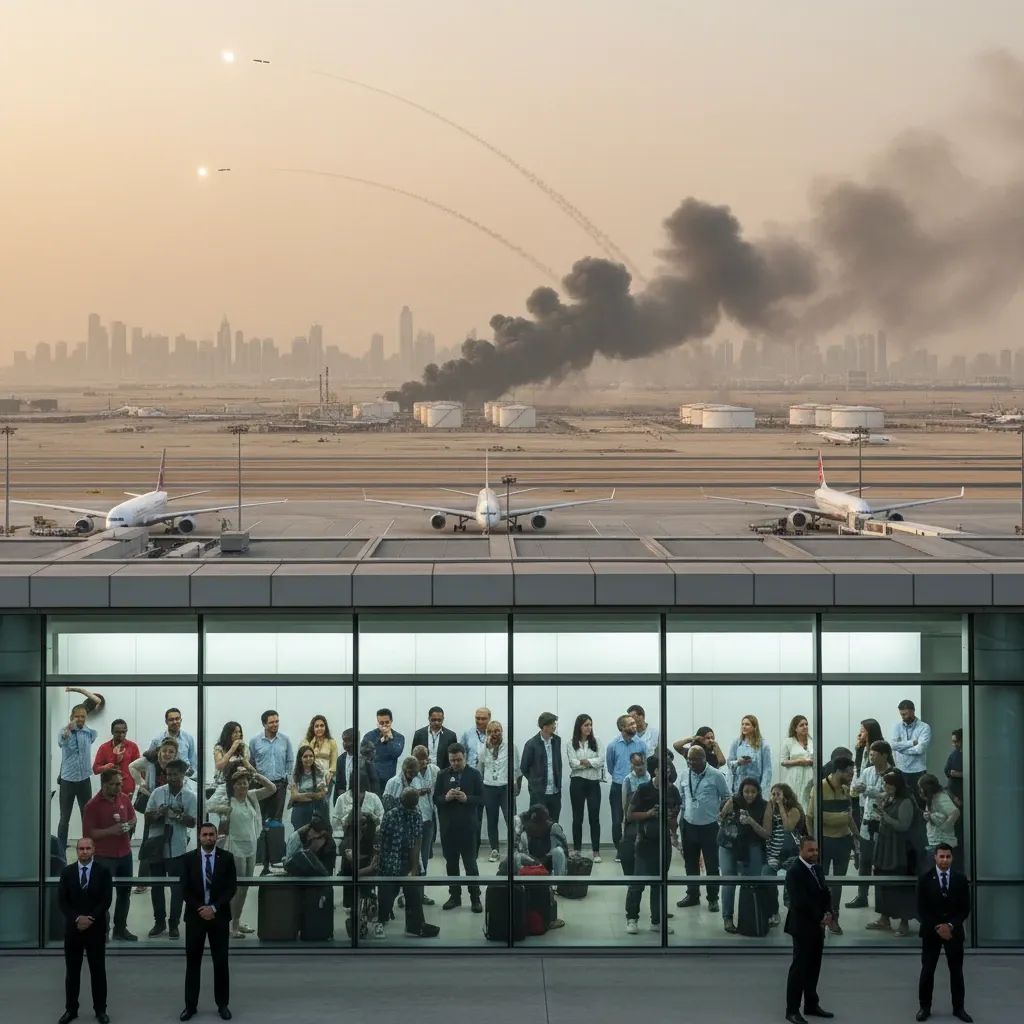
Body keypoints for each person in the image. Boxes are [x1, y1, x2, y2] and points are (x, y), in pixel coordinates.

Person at [206, 764, 276, 939]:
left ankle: (237, 920)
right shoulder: (228, 800)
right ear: (232, 786)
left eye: (245, 783)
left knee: (245, 888)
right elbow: (208, 806)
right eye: (238, 784)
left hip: (251, 846)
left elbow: (272, 788)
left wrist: (256, 775)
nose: (242, 786)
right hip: (235, 846)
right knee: (235, 888)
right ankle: (232, 925)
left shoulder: (251, 797)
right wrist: (222, 809)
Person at [180, 823, 237, 1022]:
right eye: (204, 835)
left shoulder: (227, 858)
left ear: (216, 836)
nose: (208, 838)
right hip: (196, 917)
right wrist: (201, 909)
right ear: (199, 837)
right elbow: (184, 889)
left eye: (212, 834)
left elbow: (231, 888)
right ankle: (190, 1006)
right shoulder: (188, 859)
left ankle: (223, 1005)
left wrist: (213, 908)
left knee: (221, 962)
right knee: (192, 963)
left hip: (218, 917)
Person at [58, 837, 113, 1024]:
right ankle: (71, 1010)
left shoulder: (103, 872)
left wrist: (90, 918)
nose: (84, 851)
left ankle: (100, 1011)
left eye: (88, 848)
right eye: (81, 848)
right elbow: (62, 901)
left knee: (98, 972)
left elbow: (106, 900)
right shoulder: (66, 872)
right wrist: (77, 918)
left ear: (93, 850)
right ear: (77, 851)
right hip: (73, 930)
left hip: (95, 929)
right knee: (72, 973)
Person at [916, 844, 972, 1023]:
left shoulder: (960, 879)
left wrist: (950, 925)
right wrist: (938, 928)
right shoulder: (925, 879)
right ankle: (924, 1007)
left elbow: (964, 909)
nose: (945, 860)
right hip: (931, 932)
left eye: (948, 857)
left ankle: (959, 1008)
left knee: (956, 972)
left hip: (953, 933)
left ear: (952, 858)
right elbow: (921, 909)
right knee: (927, 971)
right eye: (942, 856)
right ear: (935, 857)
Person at [624, 755, 679, 935]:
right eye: (664, 770)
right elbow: (630, 815)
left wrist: (670, 818)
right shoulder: (643, 789)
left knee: (660, 883)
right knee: (638, 882)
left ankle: (657, 920)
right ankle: (632, 918)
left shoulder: (673, 791)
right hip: (645, 841)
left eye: (669, 770)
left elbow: (674, 823)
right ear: (655, 771)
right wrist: (649, 813)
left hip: (664, 843)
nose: (667, 773)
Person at [868, 770, 926, 937]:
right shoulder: (889, 797)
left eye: (889, 784)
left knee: (900, 884)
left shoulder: (906, 801)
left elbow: (903, 825)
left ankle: (904, 921)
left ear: (897, 785)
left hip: (899, 849)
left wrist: (884, 816)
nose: (886, 786)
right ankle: (884, 918)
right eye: (885, 783)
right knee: (882, 881)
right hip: (885, 846)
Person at [784, 836, 835, 1024]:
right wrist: (820, 917)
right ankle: (792, 1010)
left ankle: (811, 1005)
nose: (814, 853)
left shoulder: (818, 868)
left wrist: (829, 912)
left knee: (814, 967)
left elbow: (825, 892)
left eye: (816, 850)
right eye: (810, 850)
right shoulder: (794, 872)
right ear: (801, 851)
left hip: (818, 926)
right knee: (799, 969)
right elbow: (799, 902)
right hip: (802, 926)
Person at [144, 759, 198, 939]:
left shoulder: (190, 796)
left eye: (175, 774)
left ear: (183, 775)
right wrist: (160, 812)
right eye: (168, 774)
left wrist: (176, 815)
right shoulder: (158, 793)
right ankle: (158, 922)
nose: (172, 778)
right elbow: (148, 816)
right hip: (157, 847)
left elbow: (192, 821)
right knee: (157, 887)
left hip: (178, 848)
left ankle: (174, 924)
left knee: (178, 889)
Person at [377, 788, 440, 939]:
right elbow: (382, 841)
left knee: (413, 893)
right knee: (386, 895)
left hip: (406, 859)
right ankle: (379, 921)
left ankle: (415, 926)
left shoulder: (416, 814)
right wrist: (383, 863)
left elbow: (417, 841)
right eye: (409, 806)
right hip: (389, 859)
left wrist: (414, 867)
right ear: (402, 801)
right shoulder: (391, 815)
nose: (412, 809)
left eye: (414, 805)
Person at [82, 768, 137, 941]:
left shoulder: (125, 799)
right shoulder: (92, 806)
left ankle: (120, 929)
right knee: (103, 896)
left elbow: (133, 818)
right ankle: (102, 931)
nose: (118, 787)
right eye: (113, 784)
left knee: (124, 893)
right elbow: (89, 834)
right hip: (104, 857)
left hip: (125, 854)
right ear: (104, 785)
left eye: (120, 783)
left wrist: (129, 825)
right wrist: (111, 831)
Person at [676, 743, 730, 912]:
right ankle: (692, 895)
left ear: (704, 759)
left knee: (712, 865)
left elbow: (727, 797)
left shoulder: (716, 775)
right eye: (689, 760)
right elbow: (681, 798)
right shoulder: (684, 775)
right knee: (690, 863)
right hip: (688, 824)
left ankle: (713, 898)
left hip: (710, 827)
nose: (691, 763)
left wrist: (721, 814)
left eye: (694, 760)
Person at [806, 755, 856, 936]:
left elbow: (849, 817)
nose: (852, 776)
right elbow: (810, 817)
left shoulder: (845, 789)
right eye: (849, 773)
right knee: (821, 882)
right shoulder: (819, 788)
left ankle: (834, 918)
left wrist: (857, 838)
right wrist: (813, 842)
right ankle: (820, 917)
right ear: (838, 772)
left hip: (843, 841)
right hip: (824, 841)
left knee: (839, 882)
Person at [718, 777, 772, 933]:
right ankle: (727, 918)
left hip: (752, 846)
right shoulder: (733, 801)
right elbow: (721, 819)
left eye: (753, 792)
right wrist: (725, 818)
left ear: (758, 792)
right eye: (746, 791)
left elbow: (767, 834)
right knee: (729, 880)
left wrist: (751, 822)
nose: (749, 795)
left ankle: (749, 918)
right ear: (741, 791)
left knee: (751, 882)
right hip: (728, 844)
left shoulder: (765, 806)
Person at [434, 743, 484, 913]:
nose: (455, 763)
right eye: (452, 760)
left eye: (458, 760)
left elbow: (482, 798)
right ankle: (454, 896)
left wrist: (467, 798)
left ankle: (475, 898)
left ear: (465, 757)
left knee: (471, 865)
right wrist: (446, 797)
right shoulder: (442, 775)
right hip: (449, 828)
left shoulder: (474, 774)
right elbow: (436, 799)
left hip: (468, 828)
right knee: (451, 864)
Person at [56, 687, 105, 854]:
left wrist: (77, 689)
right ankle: (61, 849)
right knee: (64, 818)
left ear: (86, 717)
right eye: (77, 716)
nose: (80, 719)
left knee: (87, 816)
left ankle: (88, 846)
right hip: (68, 780)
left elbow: (97, 701)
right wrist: (70, 726)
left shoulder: (90, 733)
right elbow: (63, 738)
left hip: (84, 779)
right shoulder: (65, 732)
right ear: (71, 717)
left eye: (83, 716)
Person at [847, 739, 893, 909]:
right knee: (864, 860)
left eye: (874, 755)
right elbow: (858, 789)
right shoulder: (867, 771)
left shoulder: (893, 774)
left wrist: (866, 789)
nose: (871, 758)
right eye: (870, 755)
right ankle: (862, 896)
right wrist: (858, 787)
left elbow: (886, 795)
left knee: (881, 864)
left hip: (884, 822)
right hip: (867, 820)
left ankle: (882, 902)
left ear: (884, 755)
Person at [249, 709, 293, 869]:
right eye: (272, 722)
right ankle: (263, 863)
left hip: (280, 786)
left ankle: (275, 860)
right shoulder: (255, 741)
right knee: (261, 823)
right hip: (261, 786)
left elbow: (290, 762)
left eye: (277, 721)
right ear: (264, 724)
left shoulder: (285, 740)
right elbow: (252, 761)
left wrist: (288, 782)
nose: (275, 725)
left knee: (275, 824)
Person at [604, 713, 646, 858]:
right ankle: (620, 850)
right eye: (631, 724)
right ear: (622, 727)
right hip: (618, 786)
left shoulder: (641, 744)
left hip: (637, 787)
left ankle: (635, 848)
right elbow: (610, 767)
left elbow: (644, 764)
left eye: (635, 723)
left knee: (634, 819)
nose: (635, 726)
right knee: (617, 820)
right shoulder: (613, 745)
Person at [765, 782, 806, 927]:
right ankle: (773, 911)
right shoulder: (770, 808)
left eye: (778, 794)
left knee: (792, 883)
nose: (775, 797)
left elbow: (788, 827)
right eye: (773, 794)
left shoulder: (795, 809)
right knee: (768, 880)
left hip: (791, 853)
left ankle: (793, 912)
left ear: (786, 796)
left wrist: (781, 806)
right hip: (773, 853)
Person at [567, 713, 604, 862]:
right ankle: (577, 849)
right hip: (577, 782)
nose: (589, 728)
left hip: (593, 782)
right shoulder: (571, 743)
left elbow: (600, 761)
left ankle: (596, 851)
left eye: (590, 725)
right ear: (579, 727)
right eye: (586, 725)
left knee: (594, 817)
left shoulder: (597, 742)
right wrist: (590, 762)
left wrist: (585, 762)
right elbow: (572, 763)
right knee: (578, 817)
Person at [520, 712, 563, 822]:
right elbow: (524, 767)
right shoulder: (531, 744)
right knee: (538, 824)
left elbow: (558, 762)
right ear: (544, 726)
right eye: (552, 724)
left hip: (555, 791)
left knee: (554, 823)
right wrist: (535, 781)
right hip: (539, 793)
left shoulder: (557, 741)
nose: (554, 726)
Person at [411, 744, 440, 880]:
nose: (422, 762)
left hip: (429, 818)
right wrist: (419, 792)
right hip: (413, 819)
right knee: (413, 855)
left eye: (424, 758)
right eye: (419, 758)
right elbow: (403, 792)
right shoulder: (408, 771)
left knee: (425, 855)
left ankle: (421, 889)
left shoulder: (435, 770)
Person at [891, 699, 932, 799]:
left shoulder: (924, 727)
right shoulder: (897, 727)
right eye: (901, 714)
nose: (903, 717)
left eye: (905, 714)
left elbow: (920, 749)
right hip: (900, 769)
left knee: (919, 800)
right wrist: (912, 743)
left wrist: (901, 749)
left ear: (913, 711)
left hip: (917, 770)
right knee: (902, 801)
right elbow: (893, 745)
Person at [92, 718, 140, 800]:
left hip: (127, 788)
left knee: (124, 812)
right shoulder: (104, 748)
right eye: (118, 732)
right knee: (108, 812)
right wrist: (106, 767)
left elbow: (139, 768)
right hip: (109, 788)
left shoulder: (133, 746)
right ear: (112, 732)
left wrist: (143, 784)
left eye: (124, 732)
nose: (121, 734)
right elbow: (95, 769)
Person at [727, 714, 773, 794]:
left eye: (747, 724)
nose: (744, 726)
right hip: (739, 785)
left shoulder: (763, 745)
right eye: (742, 724)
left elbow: (767, 770)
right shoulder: (736, 743)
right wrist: (738, 762)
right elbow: (729, 764)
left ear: (755, 727)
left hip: (755, 785)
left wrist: (762, 790)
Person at [919, 774, 961, 861]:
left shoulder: (941, 798)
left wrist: (944, 827)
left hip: (942, 842)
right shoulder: (932, 797)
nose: (920, 790)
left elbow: (955, 813)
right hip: (935, 840)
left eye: (921, 787)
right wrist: (927, 816)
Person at [288, 744, 330, 830]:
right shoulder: (295, 773)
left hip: (318, 808)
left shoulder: (320, 770)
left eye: (311, 756)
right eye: (305, 756)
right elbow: (295, 796)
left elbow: (322, 794)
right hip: (301, 808)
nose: (308, 759)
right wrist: (313, 795)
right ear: (300, 758)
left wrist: (304, 795)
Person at [148, 707, 197, 778]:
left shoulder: (188, 738)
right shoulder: (157, 740)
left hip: (184, 779)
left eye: (177, 719)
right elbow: (150, 761)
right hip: (163, 779)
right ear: (166, 722)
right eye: (171, 720)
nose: (175, 722)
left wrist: (191, 779)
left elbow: (193, 762)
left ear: (181, 720)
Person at [780, 715, 815, 809]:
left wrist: (812, 762)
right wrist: (799, 761)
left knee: (808, 803)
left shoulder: (813, 741)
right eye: (801, 725)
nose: (805, 727)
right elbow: (783, 762)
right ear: (795, 728)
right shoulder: (788, 742)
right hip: (794, 776)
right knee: (793, 802)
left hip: (810, 777)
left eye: (806, 724)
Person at [362, 708, 405, 786]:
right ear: (378, 723)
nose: (384, 725)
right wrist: (380, 739)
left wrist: (389, 739)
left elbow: (396, 753)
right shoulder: (369, 736)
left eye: (387, 722)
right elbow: (364, 754)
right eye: (381, 723)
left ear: (391, 721)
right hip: (372, 779)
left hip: (389, 779)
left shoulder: (399, 737)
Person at [332, 728, 379, 799]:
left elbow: (374, 782)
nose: (344, 744)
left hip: (363, 799)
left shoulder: (365, 759)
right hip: (345, 800)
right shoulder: (340, 759)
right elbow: (338, 783)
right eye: (343, 741)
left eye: (347, 740)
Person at [411, 706, 457, 771]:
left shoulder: (451, 736)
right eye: (434, 720)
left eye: (439, 720)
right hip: (422, 772)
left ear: (443, 719)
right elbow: (413, 756)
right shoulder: (419, 734)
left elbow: (453, 757)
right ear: (429, 718)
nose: (436, 722)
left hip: (443, 773)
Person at [211, 722, 249, 792]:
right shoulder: (219, 748)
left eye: (239, 732)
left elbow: (247, 766)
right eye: (235, 732)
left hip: (239, 785)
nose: (238, 735)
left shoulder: (244, 747)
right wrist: (233, 748)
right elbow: (219, 766)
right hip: (222, 785)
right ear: (228, 734)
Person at [305, 715, 338, 790]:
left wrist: (330, 774)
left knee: (324, 801)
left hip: (327, 779)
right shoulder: (307, 742)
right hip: (310, 778)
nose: (319, 728)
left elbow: (334, 762)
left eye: (322, 726)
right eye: (316, 726)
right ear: (313, 728)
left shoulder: (331, 742)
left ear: (325, 727)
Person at [944, 729, 965, 851]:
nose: (954, 744)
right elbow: (947, 770)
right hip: (953, 795)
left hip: (963, 795)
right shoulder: (954, 754)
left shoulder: (971, 754)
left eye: (956, 741)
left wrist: (961, 774)